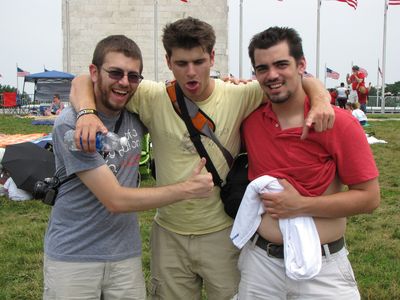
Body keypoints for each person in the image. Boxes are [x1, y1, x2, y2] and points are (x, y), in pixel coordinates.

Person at [69, 17, 335, 299]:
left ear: (211, 57)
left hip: (223, 233)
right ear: (169, 62)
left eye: (199, 61)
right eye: (182, 64)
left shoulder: (239, 95)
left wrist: (321, 100)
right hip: (169, 234)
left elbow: (299, 79)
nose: (191, 73)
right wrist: (86, 113)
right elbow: (85, 78)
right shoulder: (152, 96)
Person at [43, 34, 214, 300]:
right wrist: (187, 189)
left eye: (133, 76)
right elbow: (115, 199)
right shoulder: (72, 124)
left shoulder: (135, 114)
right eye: (115, 73)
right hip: (74, 255)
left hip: (125, 255)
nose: (124, 83)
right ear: (95, 72)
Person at [238, 26, 380, 299]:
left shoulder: (338, 124)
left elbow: (370, 198)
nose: (272, 75)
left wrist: (301, 206)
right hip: (260, 264)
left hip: (323, 270)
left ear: (301, 65)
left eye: (282, 64)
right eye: (262, 68)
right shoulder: (251, 121)